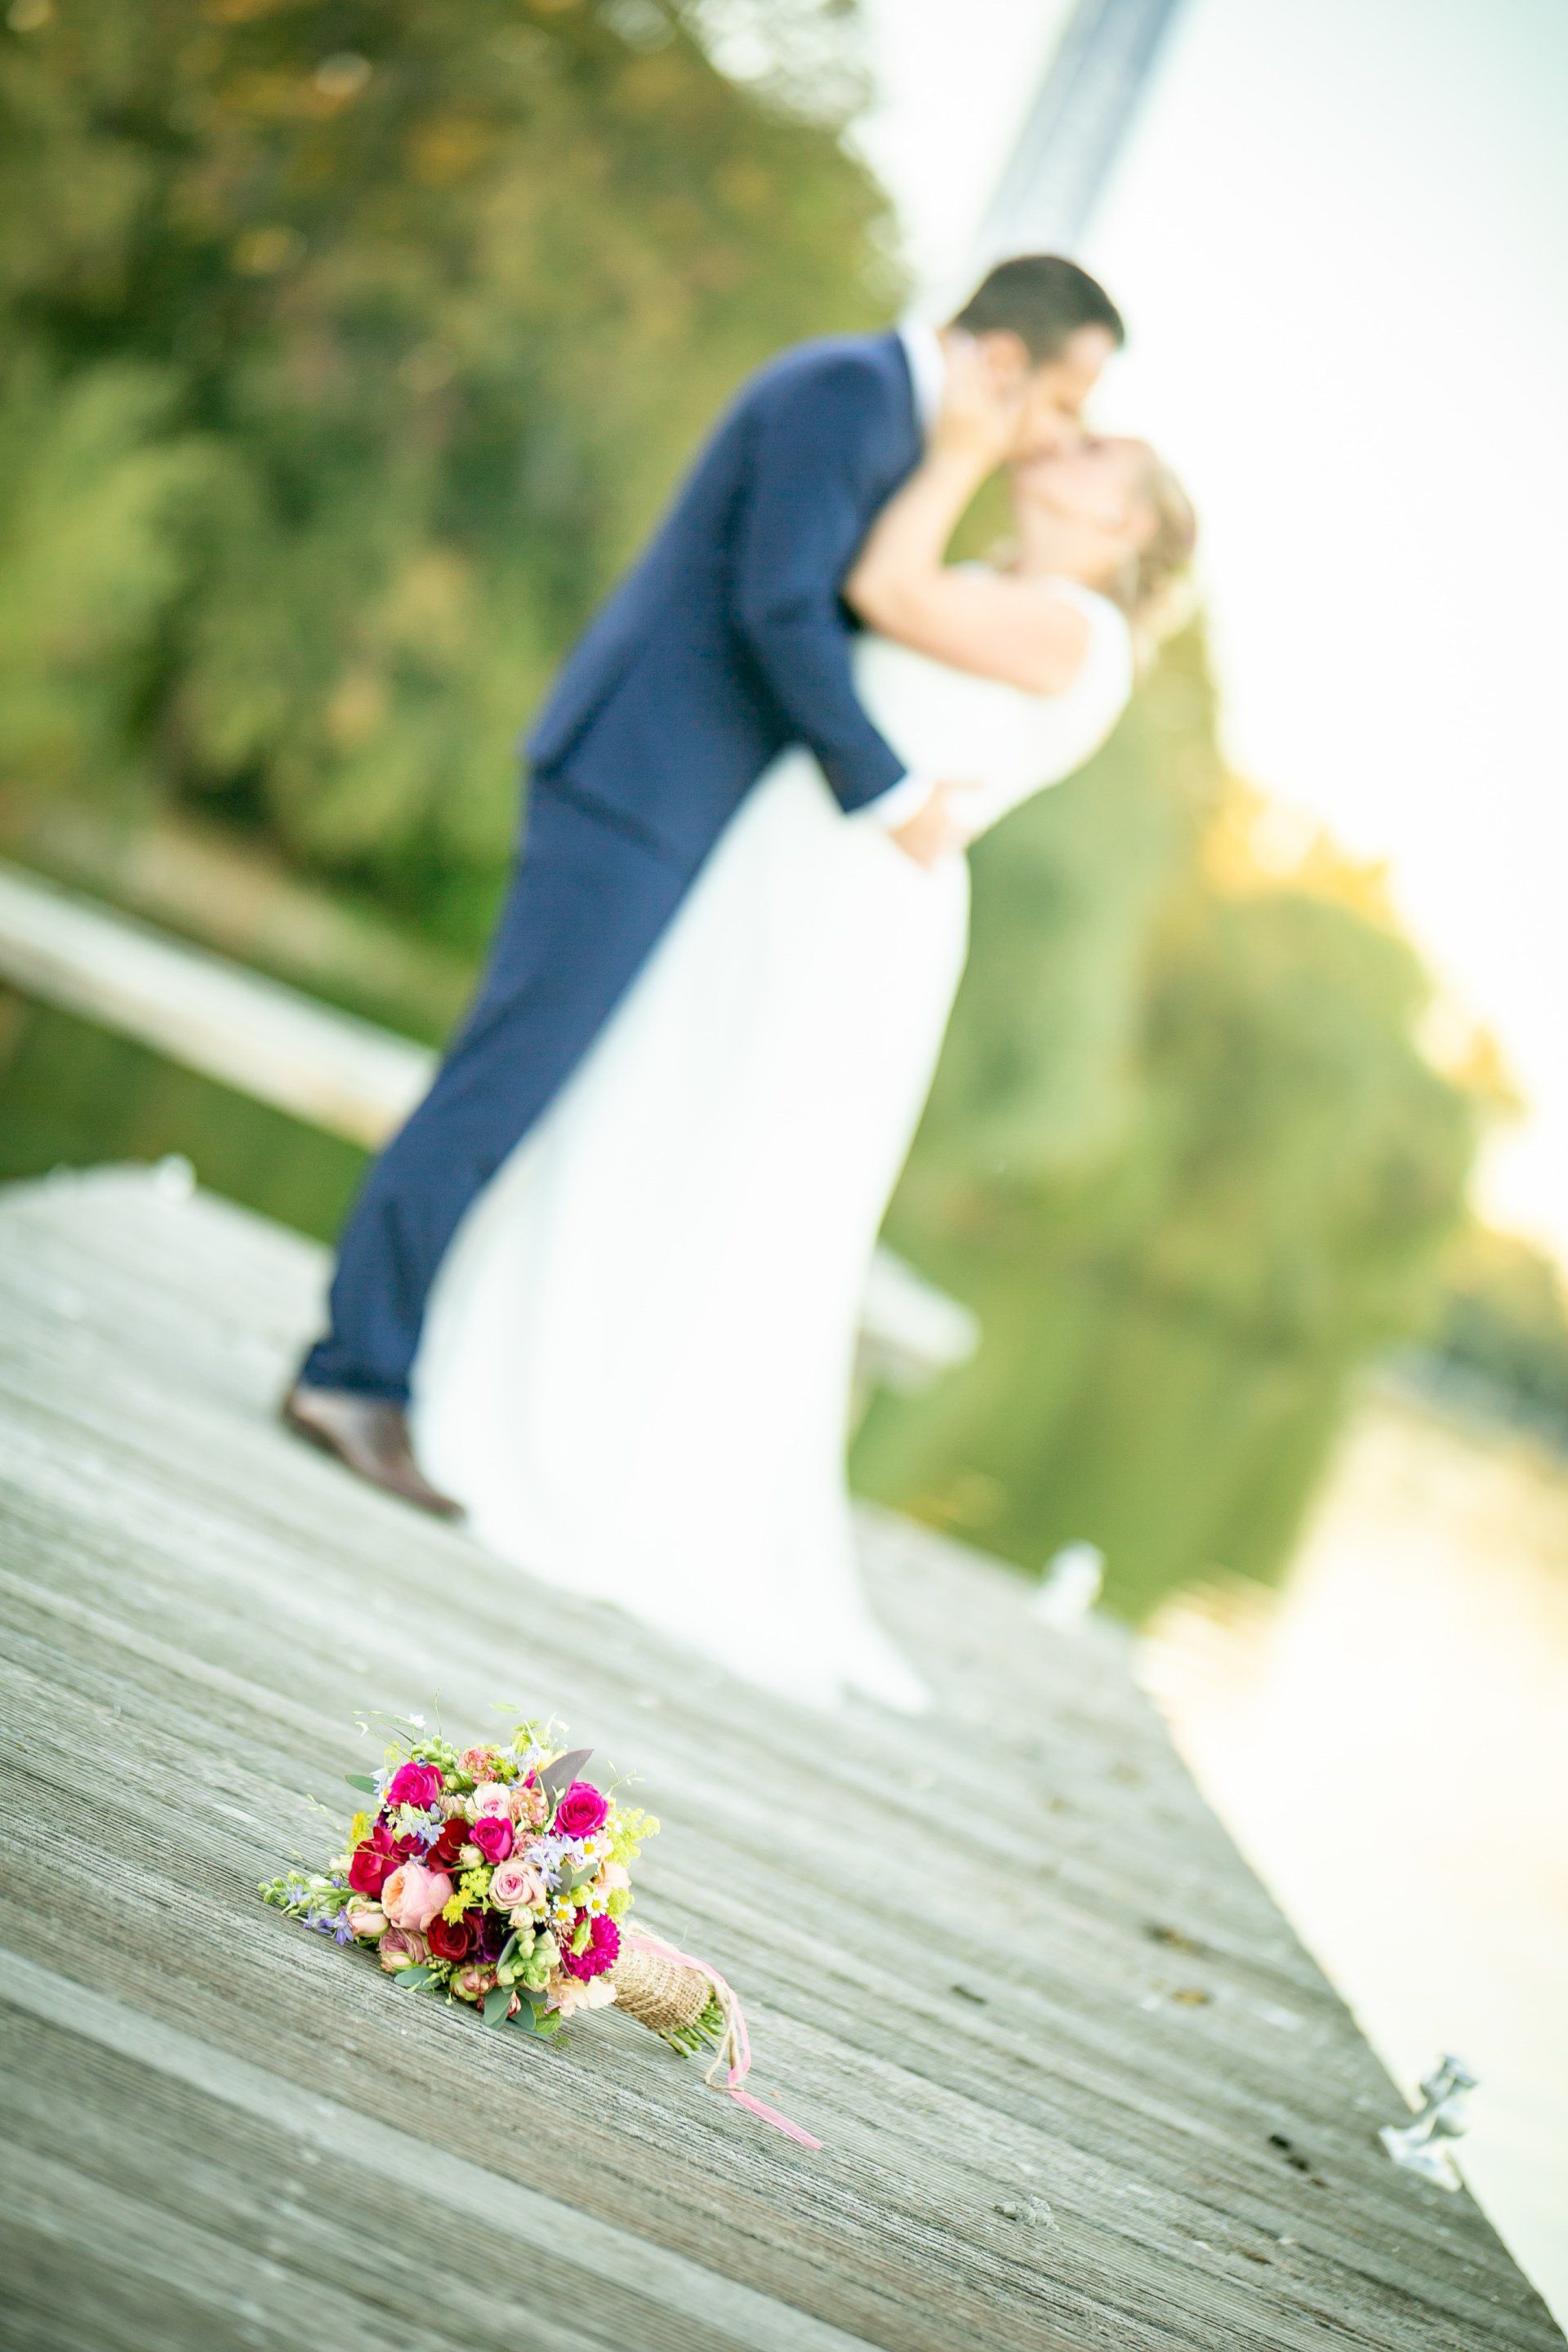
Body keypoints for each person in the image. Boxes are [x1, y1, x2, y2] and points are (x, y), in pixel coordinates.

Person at [404, 343, 1194, 1712]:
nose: (1057, 449)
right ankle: (532, 1406)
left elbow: (876, 591)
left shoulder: (1078, 628)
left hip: (852, 905)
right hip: (786, 862)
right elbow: (867, 601)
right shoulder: (1015, 586)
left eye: (1089, 455)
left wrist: (955, 446)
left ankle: (619, 1469)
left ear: (1124, 526)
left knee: (734, 1176)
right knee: (644, 1119)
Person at [285, 255, 1129, 1512]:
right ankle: (355, 1376)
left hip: (676, 807)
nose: (1059, 435)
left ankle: (397, 1369)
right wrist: (893, 794)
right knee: (499, 1088)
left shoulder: (895, 420)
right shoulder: (847, 393)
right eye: (1064, 401)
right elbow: (781, 610)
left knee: (523, 1090)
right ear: (1003, 363)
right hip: (634, 788)